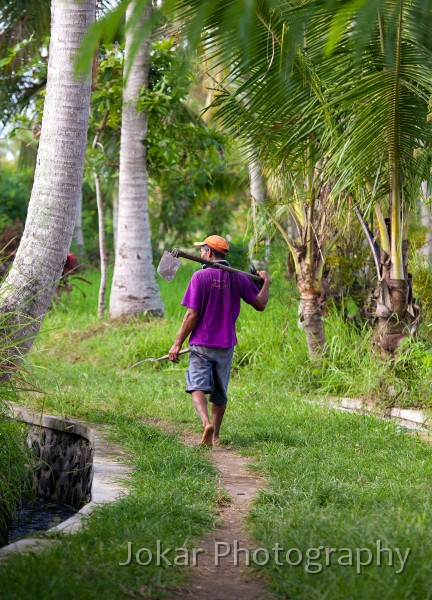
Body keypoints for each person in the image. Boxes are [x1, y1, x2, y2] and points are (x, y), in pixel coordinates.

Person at [168, 235, 271, 446]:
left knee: (196, 386)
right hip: (226, 344)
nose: (200, 254)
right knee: (219, 391)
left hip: (201, 343)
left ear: (208, 253)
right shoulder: (239, 278)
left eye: (201, 250)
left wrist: (178, 343)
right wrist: (266, 283)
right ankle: (215, 435)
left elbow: (192, 315)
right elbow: (260, 304)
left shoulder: (199, 278)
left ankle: (206, 423)